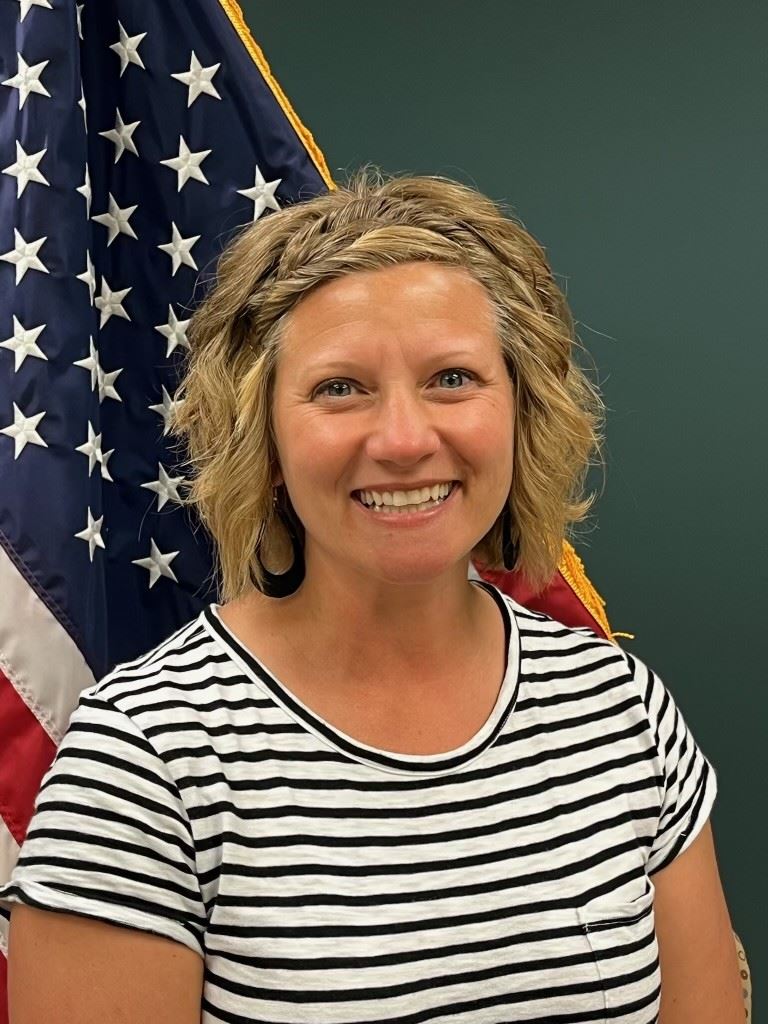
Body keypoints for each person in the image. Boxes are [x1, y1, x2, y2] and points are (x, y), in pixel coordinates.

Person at [0, 170, 743, 1023]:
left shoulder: (621, 710)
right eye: (339, 389)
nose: (402, 439)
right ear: (263, 434)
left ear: (522, 410)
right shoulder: (147, 758)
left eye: (452, 379)